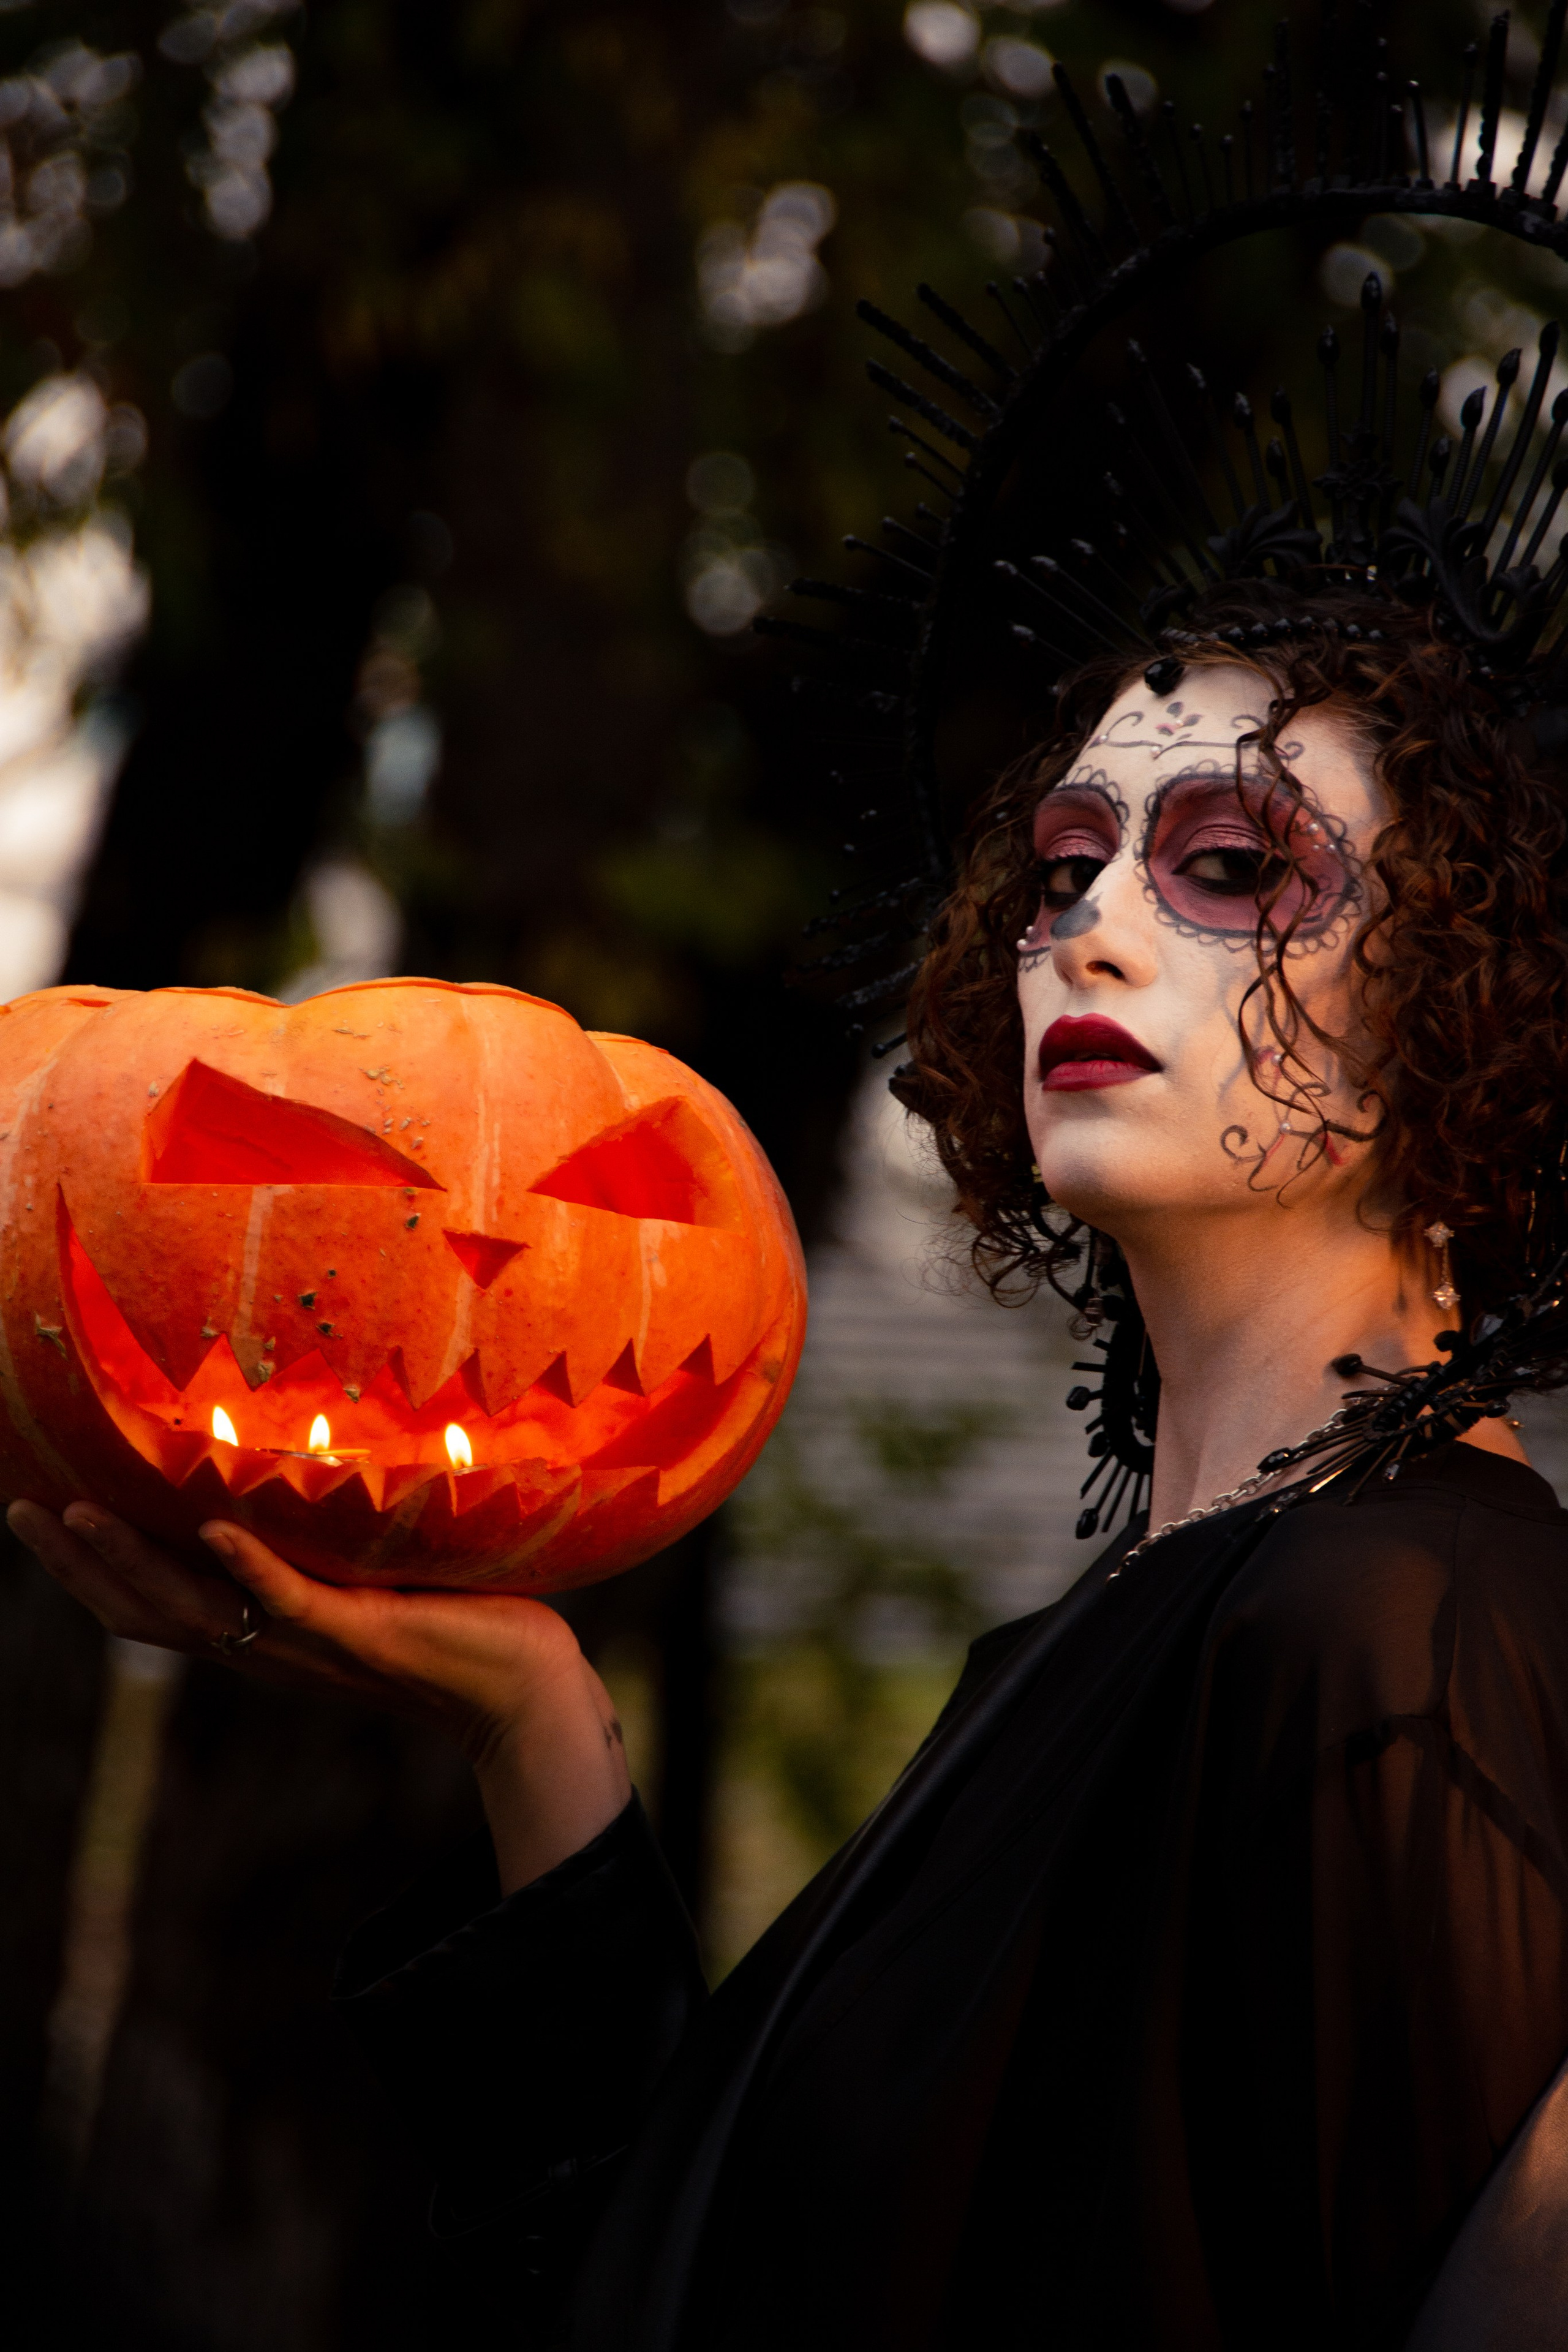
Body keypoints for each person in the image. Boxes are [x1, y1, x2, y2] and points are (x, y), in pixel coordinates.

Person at [20, 28, 1568, 2344]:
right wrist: (534, 1723)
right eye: (1066, 859)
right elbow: (704, 2287)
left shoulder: (1395, 1634)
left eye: (1236, 865)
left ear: (1482, 986)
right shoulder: (1122, 1635)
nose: (1093, 928)